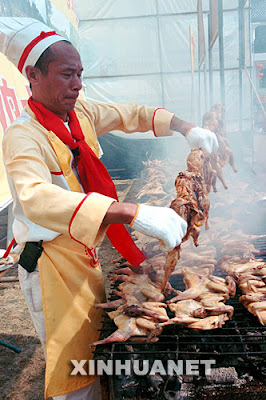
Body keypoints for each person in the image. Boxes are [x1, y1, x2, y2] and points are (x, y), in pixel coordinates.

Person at [0, 18, 218, 400]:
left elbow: (129, 113)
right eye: (67, 74)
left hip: (84, 256)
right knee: (73, 372)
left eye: (81, 74)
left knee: (97, 358)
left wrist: (186, 128)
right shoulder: (23, 135)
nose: (78, 84)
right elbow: (35, 197)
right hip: (51, 266)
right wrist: (131, 212)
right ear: (32, 75)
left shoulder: (79, 114)